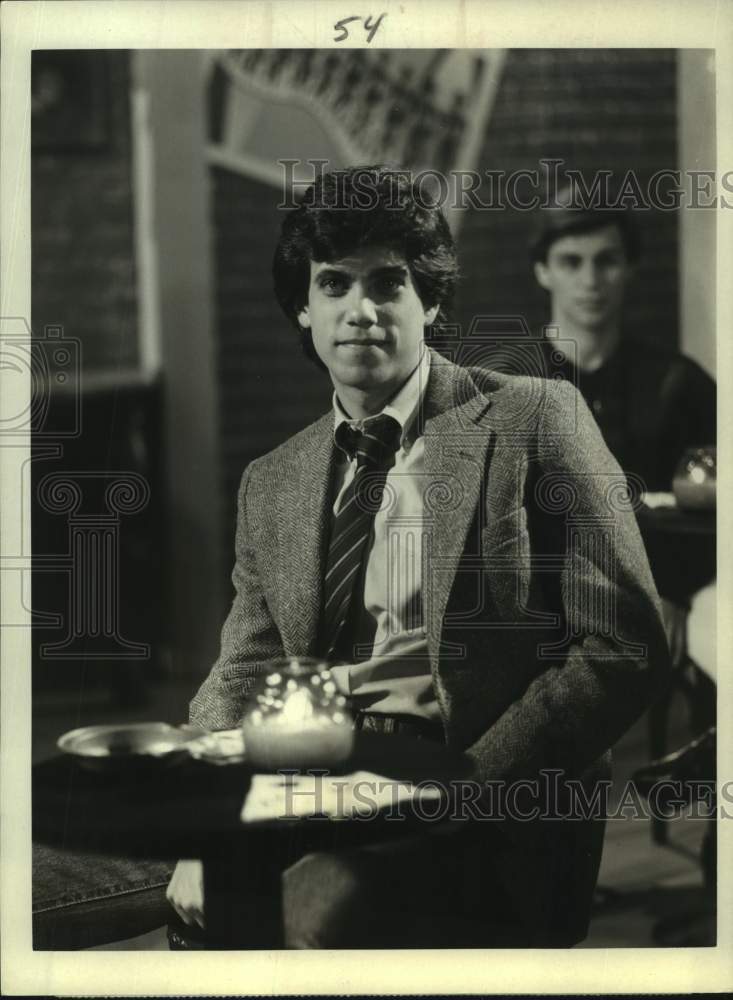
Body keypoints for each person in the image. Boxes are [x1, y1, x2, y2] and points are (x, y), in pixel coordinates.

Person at [167, 165, 669, 949]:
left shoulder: (535, 419)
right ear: (303, 307)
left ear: (429, 302)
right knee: (198, 905)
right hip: (314, 777)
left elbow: (623, 647)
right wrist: (206, 827)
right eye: (333, 284)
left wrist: (461, 789)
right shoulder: (272, 481)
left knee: (310, 910)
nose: (359, 311)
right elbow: (244, 670)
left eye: (386, 283)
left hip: (483, 803)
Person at [527, 191, 716, 668]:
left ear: (630, 267)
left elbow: (717, 514)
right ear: (542, 271)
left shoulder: (680, 384)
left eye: (606, 261)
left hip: (653, 611)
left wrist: (676, 591)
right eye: (571, 262)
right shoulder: (506, 384)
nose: (591, 281)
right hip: (535, 616)